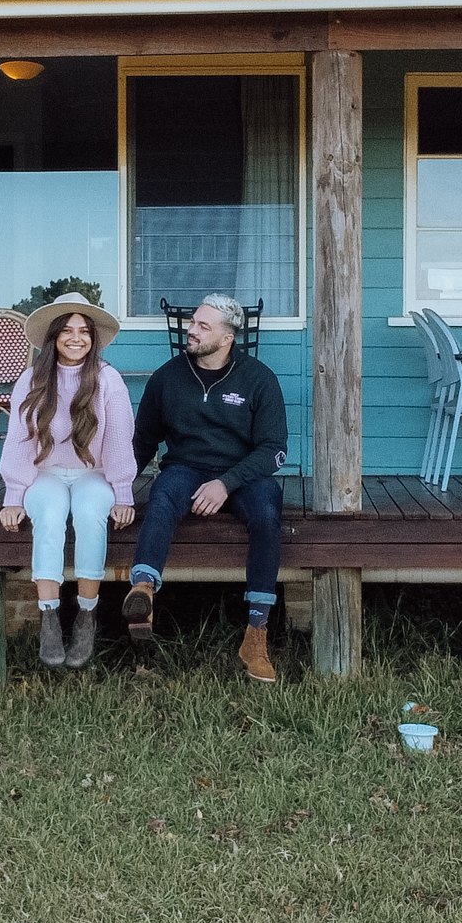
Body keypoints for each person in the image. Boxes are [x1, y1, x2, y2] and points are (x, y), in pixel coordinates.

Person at [126, 293, 289, 683]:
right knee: (163, 492)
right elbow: (142, 442)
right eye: (192, 322)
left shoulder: (258, 379)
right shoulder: (168, 377)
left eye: (202, 326)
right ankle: (143, 593)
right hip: (186, 467)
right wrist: (116, 489)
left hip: (244, 475)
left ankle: (255, 634)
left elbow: (274, 450)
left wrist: (226, 483)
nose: (191, 330)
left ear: (228, 336)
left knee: (268, 512)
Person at [0, 293, 137, 668]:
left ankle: (87, 615)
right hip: (45, 474)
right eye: (68, 330)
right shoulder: (33, 378)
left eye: (84, 331)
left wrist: (122, 491)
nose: (76, 338)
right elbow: (19, 437)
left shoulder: (108, 379)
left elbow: (119, 438)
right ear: (54, 336)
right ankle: (48, 617)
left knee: (91, 514)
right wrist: (14, 494)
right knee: (51, 515)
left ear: (93, 339)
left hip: (93, 474)